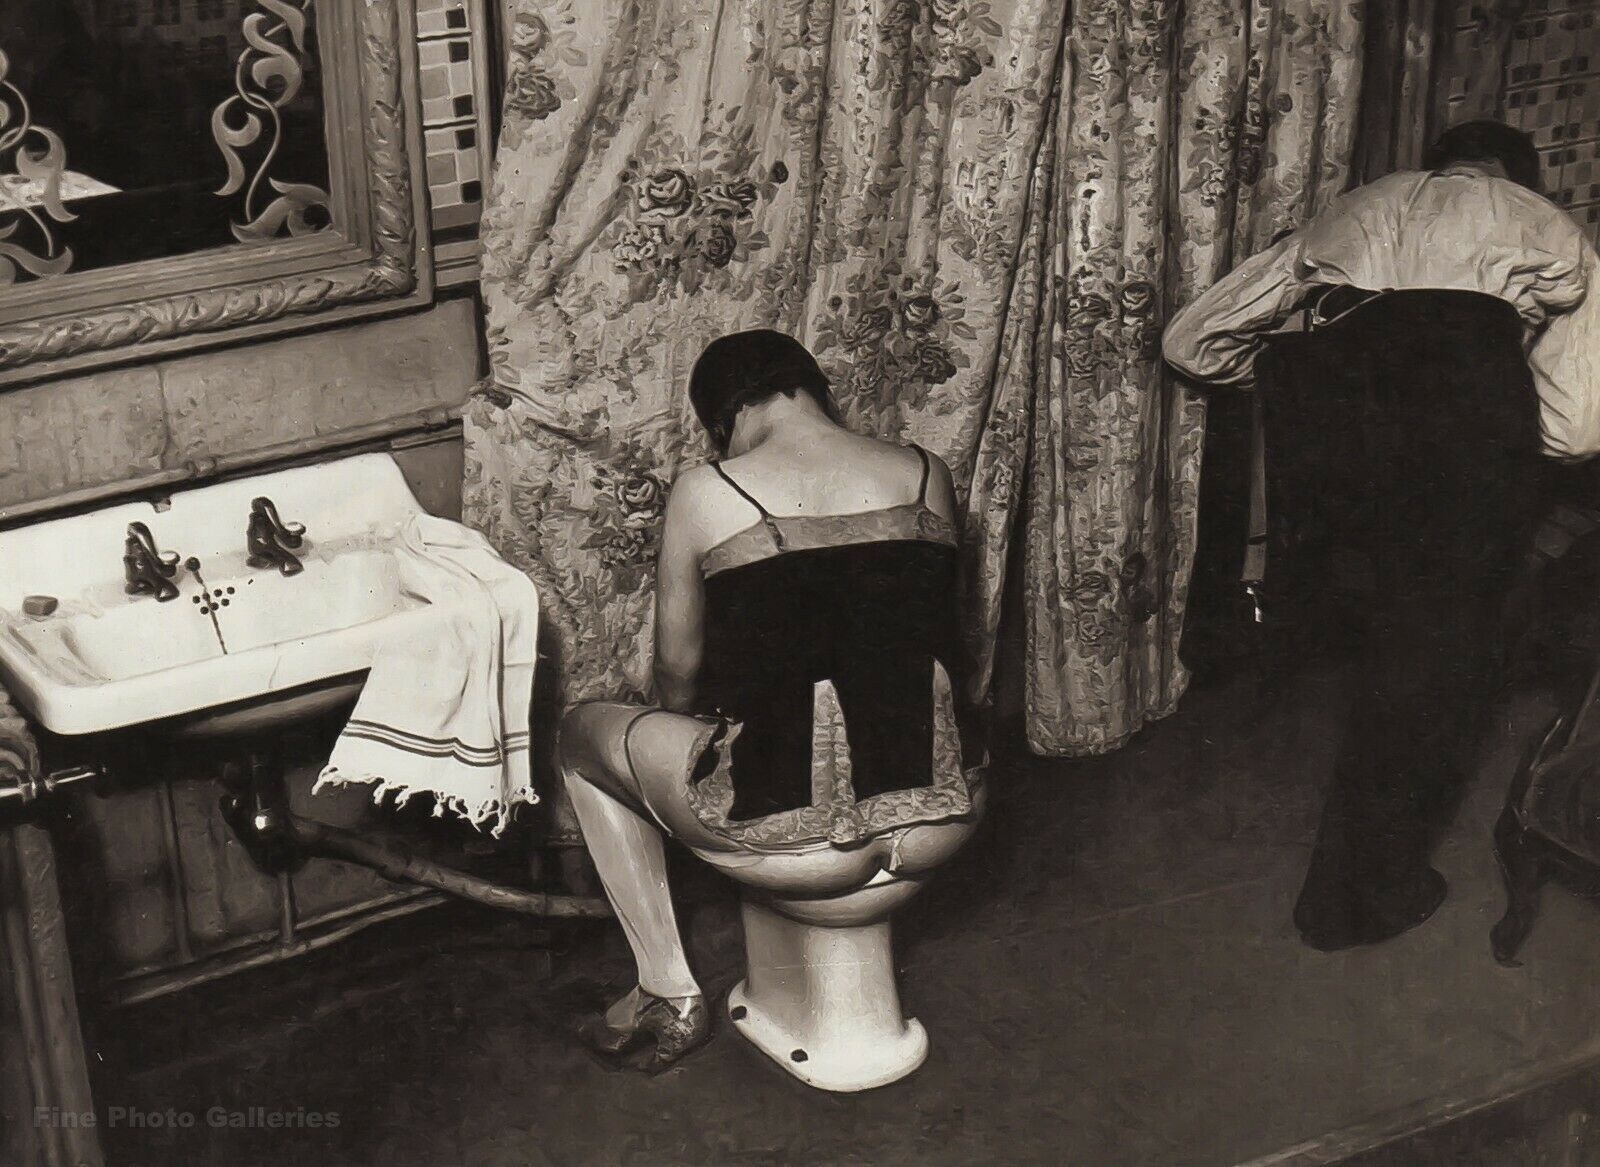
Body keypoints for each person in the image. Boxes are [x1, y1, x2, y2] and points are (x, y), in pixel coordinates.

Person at [1163, 121, 1600, 951]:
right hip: (1465, 463)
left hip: (1343, 476)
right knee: (1433, 677)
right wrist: (1500, 404)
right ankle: (1354, 901)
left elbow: (1191, 343)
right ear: (1517, 178)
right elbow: (1576, 428)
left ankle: (1354, 881)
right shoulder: (1543, 224)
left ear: (1432, 168)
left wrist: (1303, 383)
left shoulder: (1355, 208)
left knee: (1384, 657)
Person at [557, 330, 983, 1070]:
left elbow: (677, 670)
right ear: (814, 389)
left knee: (577, 734)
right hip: (945, 819)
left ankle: (665, 991)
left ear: (724, 419)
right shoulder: (925, 471)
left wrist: (694, 741)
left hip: (801, 843)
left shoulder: (708, 489)